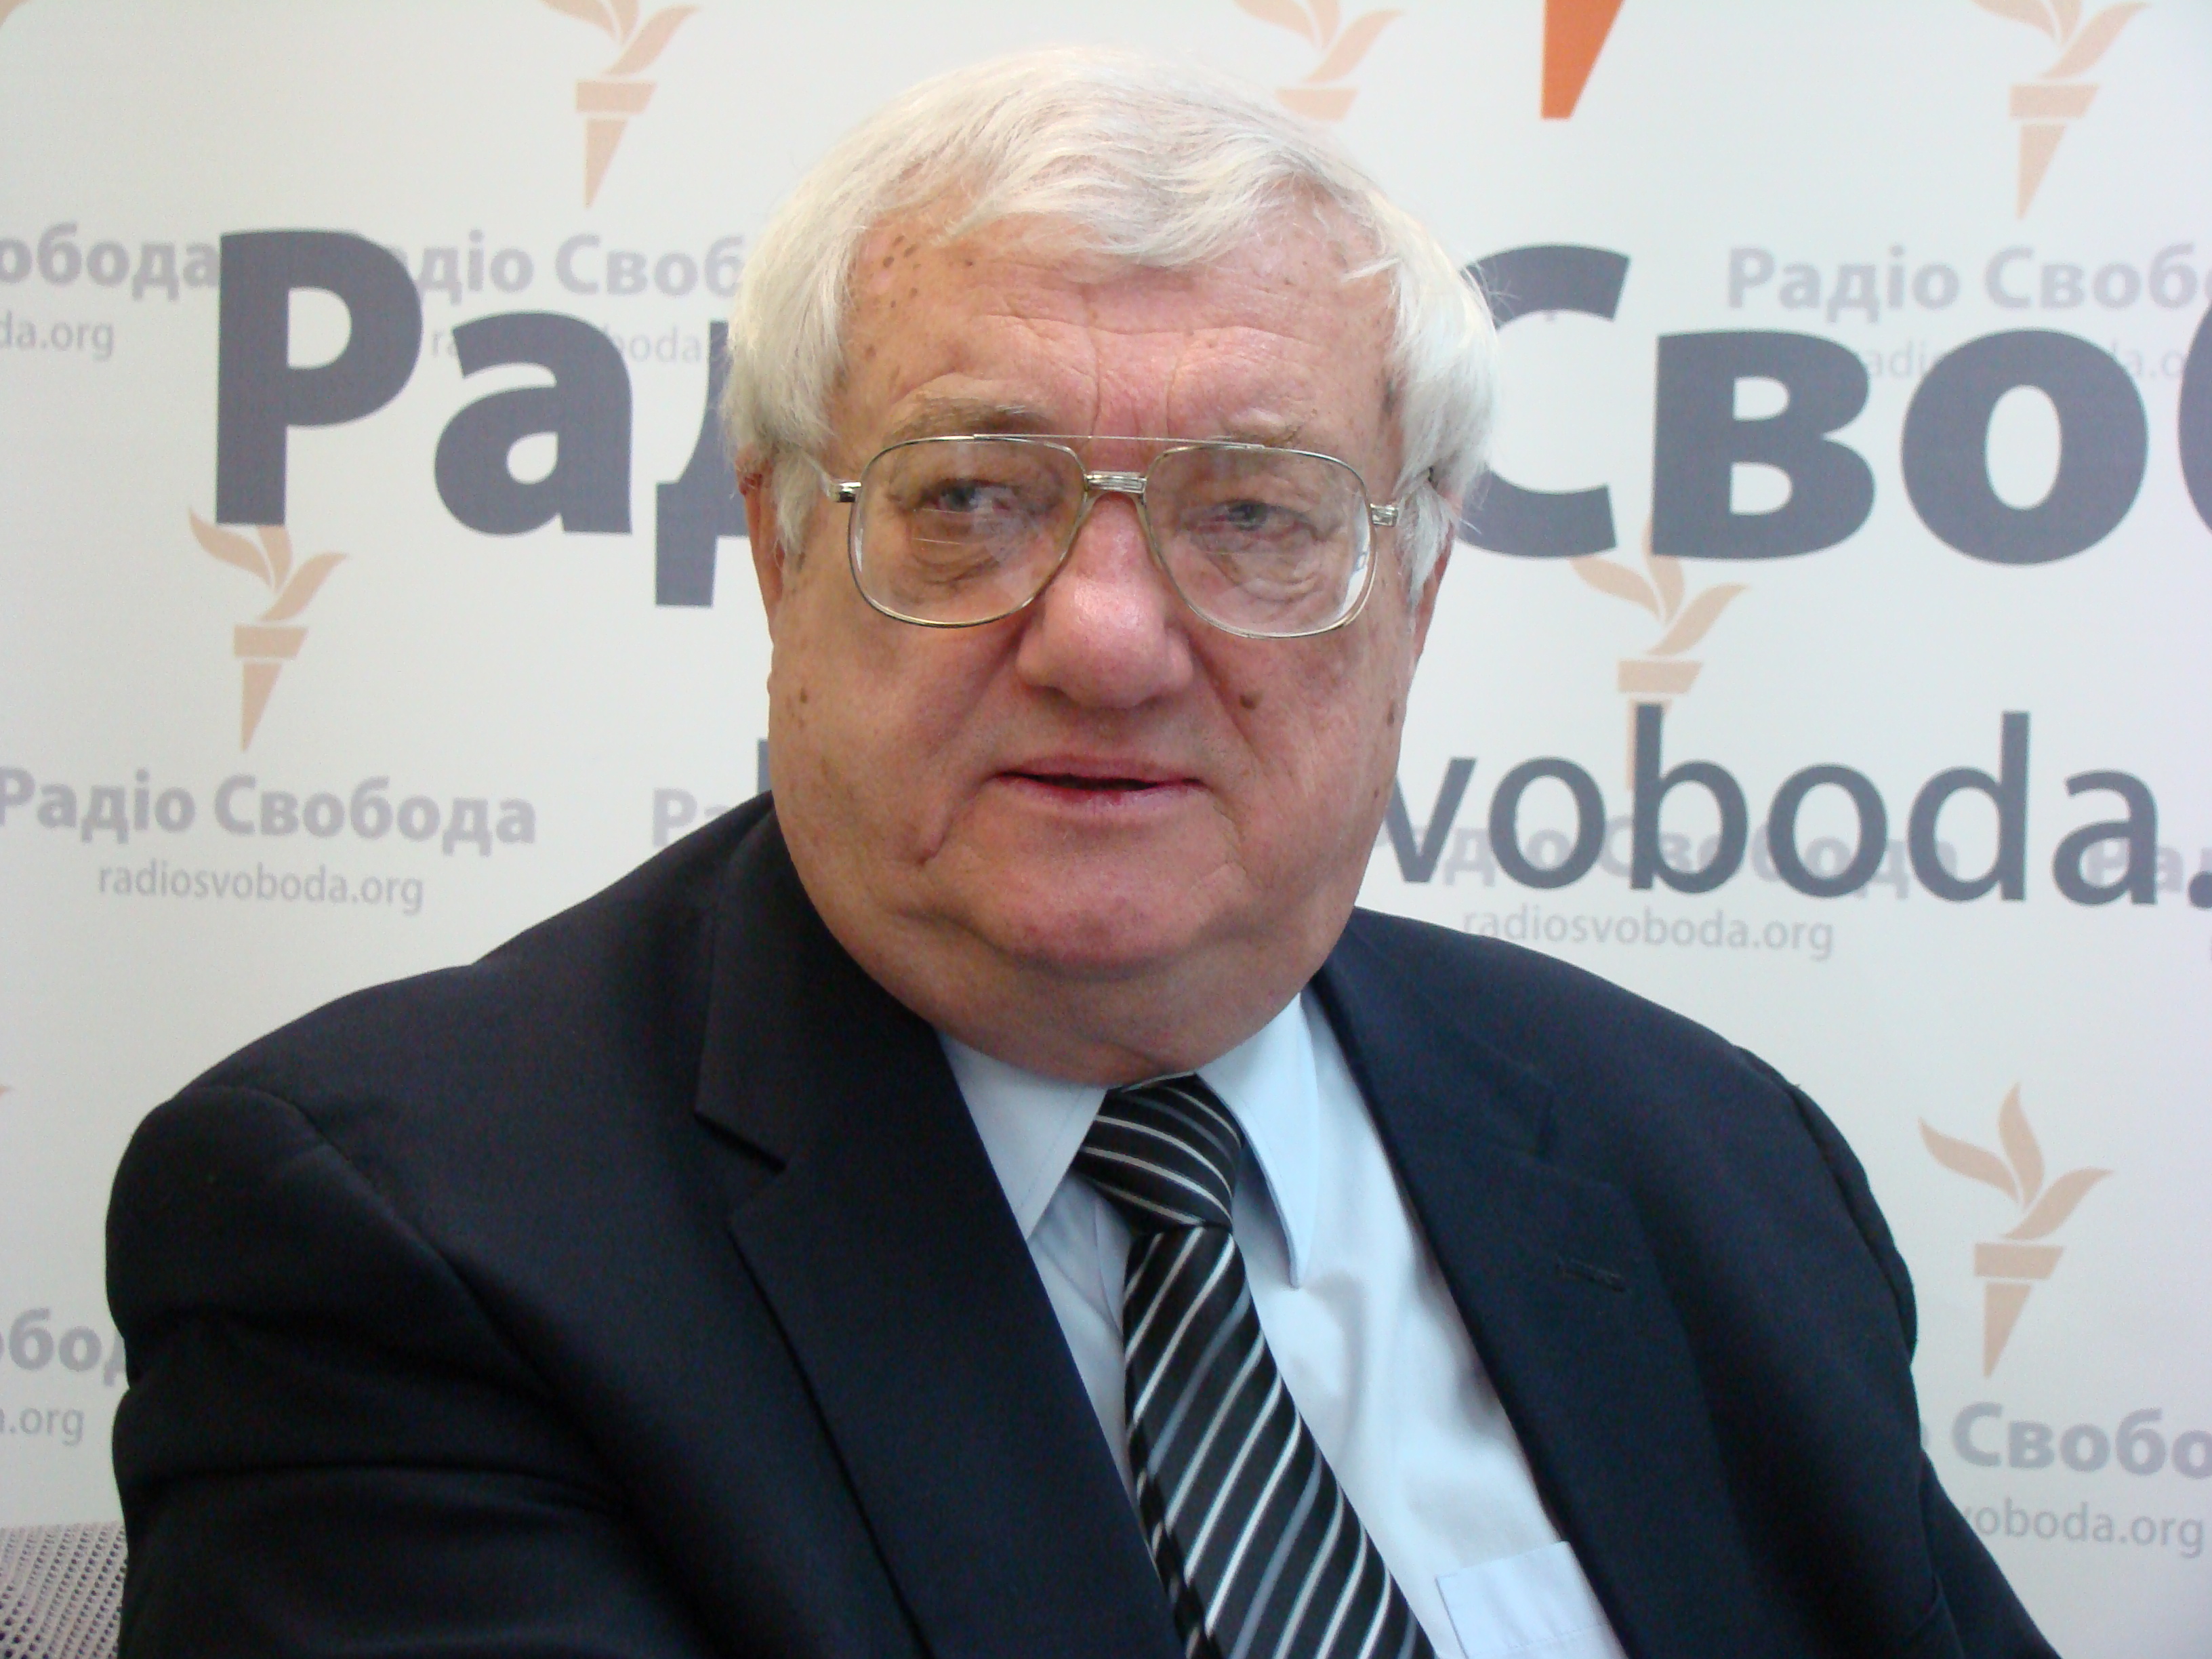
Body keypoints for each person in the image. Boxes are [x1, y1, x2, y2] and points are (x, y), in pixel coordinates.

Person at [107, 47, 2055, 1659]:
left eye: (1257, 512)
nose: (1109, 642)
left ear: (1419, 593)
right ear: (778, 546)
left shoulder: (1712, 1159)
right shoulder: (395, 1238)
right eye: (972, 496)